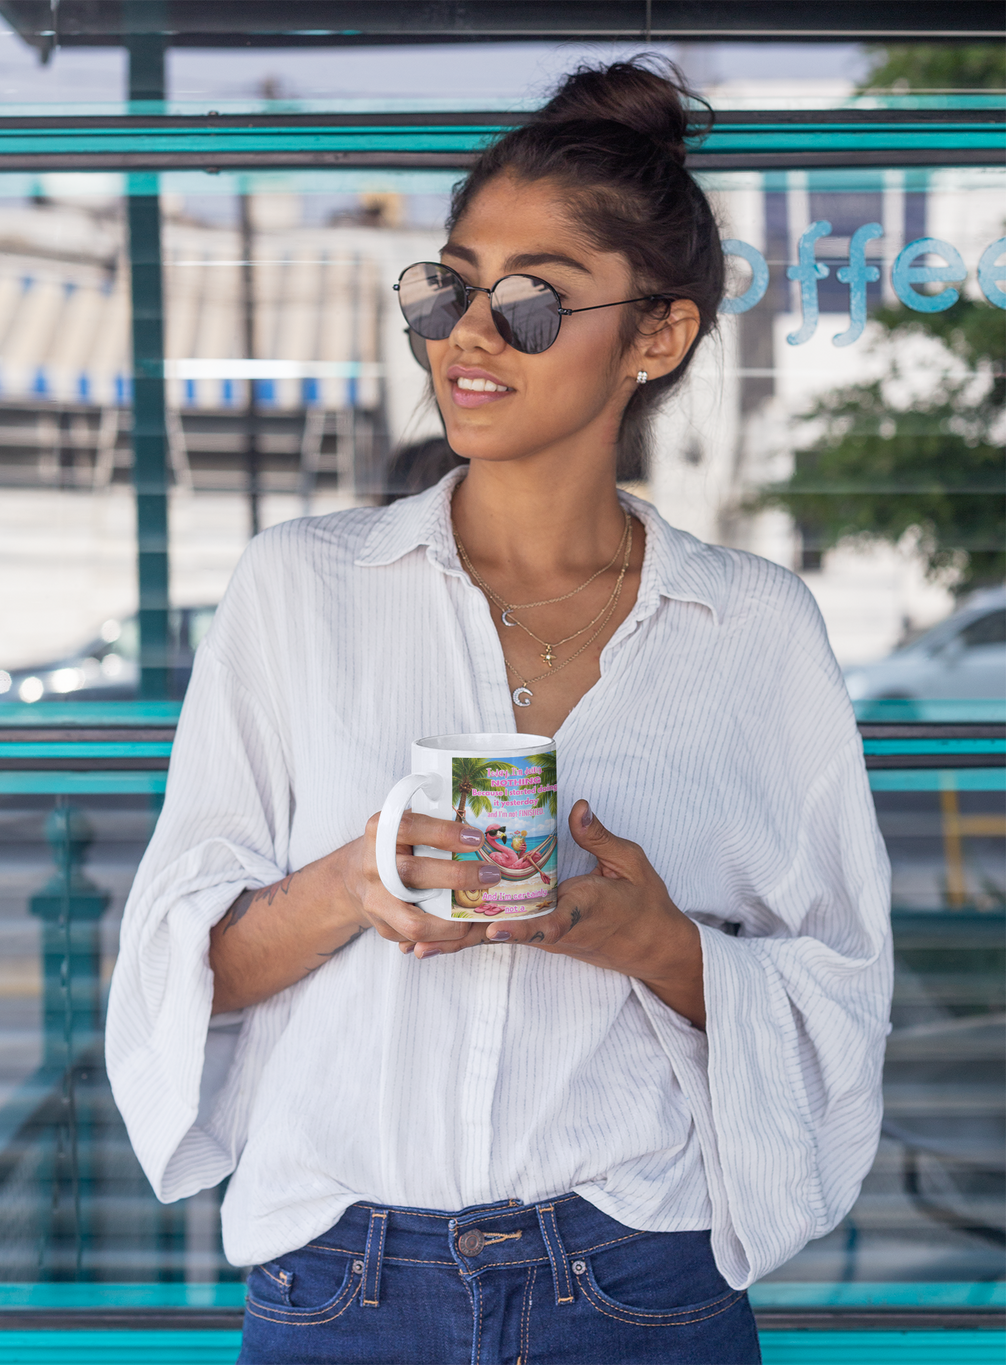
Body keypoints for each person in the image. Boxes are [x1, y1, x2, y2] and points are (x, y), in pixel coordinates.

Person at [106, 57, 892, 1365]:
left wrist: (652, 940)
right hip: (339, 1287)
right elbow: (186, 980)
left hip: (641, 1278)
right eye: (449, 284)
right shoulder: (301, 589)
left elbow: (837, 991)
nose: (468, 333)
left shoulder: (753, 631)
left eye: (533, 300)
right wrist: (364, 876)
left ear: (661, 333)